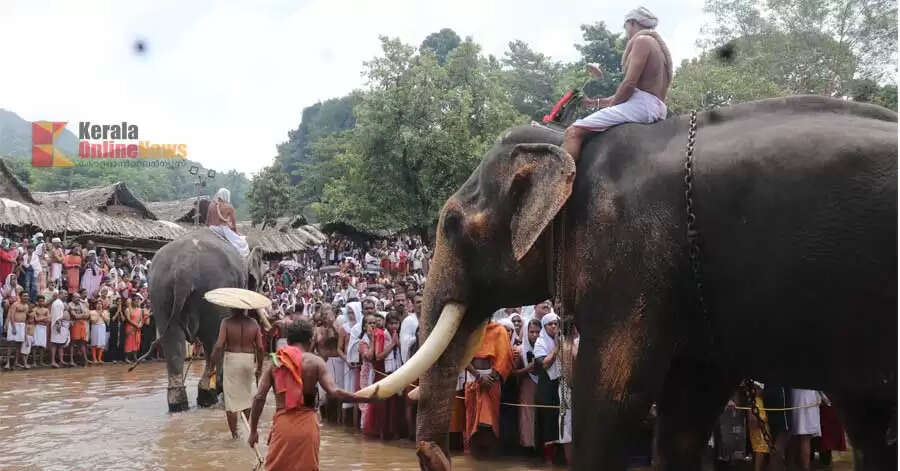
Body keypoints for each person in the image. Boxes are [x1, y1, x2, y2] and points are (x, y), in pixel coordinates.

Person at [247, 319, 374, 471]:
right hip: (307, 426)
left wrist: (253, 431)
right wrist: (366, 398)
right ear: (310, 339)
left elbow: (259, 398)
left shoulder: (276, 361)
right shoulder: (316, 362)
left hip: (283, 425)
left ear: (288, 340)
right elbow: (334, 392)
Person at [563, 6, 672, 162]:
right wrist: (592, 103)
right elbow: (631, 93)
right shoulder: (657, 46)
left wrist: (613, 105)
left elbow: (628, 84)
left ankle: (561, 186)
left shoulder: (643, 41)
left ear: (633, 23)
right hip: (656, 108)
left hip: (643, 106)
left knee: (573, 132)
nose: (626, 31)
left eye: (625, 26)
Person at [210, 305, 265, 439]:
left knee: (231, 401)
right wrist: (259, 367)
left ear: (231, 308)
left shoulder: (226, 322)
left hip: (232, 360)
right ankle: (245, 430)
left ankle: (235, 435)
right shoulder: (253, 323)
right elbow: (260, 347)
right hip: (248, 360)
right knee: (247, 396)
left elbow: (218, 345)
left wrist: (211, 366)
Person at [464, 320, 514, 456]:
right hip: (473, 378)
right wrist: (478, 377)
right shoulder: (470, 329)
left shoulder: (499, 330)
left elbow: (505, 356)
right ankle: (474, 456)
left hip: (492, 380)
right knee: (473, 418)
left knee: (488, 423)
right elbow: (462, 355)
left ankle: (489, 457)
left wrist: (491, 377)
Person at [533, 312, 561, 463]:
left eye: (556, 323)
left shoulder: (562, 339)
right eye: (550, 324)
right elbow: (544, 364)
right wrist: (557, 348)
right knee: (548, 421)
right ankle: (547, 459)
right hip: (546, 387)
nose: (554, 327)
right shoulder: (540, 342)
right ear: (544, 326)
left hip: (560, 385)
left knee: (559, 419)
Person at [516, 318, 542, 451]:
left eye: (538, 332)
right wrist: (528, 368)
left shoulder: (545, 348)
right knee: (527, 415)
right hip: (527, 386)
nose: (535, 335)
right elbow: (513, 373)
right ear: (526, 333)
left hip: (542, 386)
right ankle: (528, 446)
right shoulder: (520, 350)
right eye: (532, 332)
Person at [206, 188, 249, 257]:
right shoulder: (229, 207)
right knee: (242, 243)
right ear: (226, 196)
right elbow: (233, 224)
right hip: (222, 230)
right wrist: (236, 233)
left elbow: (207, 221)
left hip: (211, 228)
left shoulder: (211, 205)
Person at [4, 292, 28, 369]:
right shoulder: (15, 304)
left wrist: (24, 328)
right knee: (11, 344)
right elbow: (11, 316)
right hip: (14, 325)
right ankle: (7, 363)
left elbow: (25, 317)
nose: (26, 297)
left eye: (27, 296)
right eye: (24, 296)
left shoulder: (26, 306)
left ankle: (16, 362)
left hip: (22, 325)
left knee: (19, 345)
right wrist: (13, 327)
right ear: (20, 297)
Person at [67, 291, 90, 367]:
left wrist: (81, 315)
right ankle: (71, 361)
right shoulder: (70, 304)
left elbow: (87, 315)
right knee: (73, 343)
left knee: (82, 342)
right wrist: (82, 315)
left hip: (82, 324)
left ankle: (85, 360)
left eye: (79, 297)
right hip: (74, 324)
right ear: (72, 298)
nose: (78, 299)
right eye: (76, 297)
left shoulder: (82, 304)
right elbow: (75, 316)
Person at [49, 290, 70, 368]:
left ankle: (61, 360)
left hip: (60, 325)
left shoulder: (59, 302)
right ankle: (53, 361)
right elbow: (57, 316)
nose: (66, 295)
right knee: (54, 344)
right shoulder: (58, 303)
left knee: (60, 344)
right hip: (57, 325)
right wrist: (58, 325)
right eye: (65, 294)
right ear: (60, 294)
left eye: (67, 294)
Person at [123, 295, 143, 363]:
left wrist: (140, 324)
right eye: (135, 300)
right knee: (129, 342)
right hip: (130, 328)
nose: (137, 301)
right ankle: (126, 358)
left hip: (137, 328)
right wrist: (135, 325)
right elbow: (128, 319)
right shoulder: (128, 309)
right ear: (132, 301)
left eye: (138, 300)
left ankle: (135, 357)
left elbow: (141, 319)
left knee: (136, 342)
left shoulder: (140, 310)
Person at [32, 294, 50, 367]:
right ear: (37, 302)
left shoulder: (46, 309)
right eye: (40, 301)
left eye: (43, 301)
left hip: (43, 328)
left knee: (42, 346)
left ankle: (41, 362)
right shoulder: (34, 309)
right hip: (36, 327)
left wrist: (41, 318)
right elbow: (35, 319)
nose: (41, 303)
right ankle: (34, 362)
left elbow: (48, 319)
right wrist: (44, 318)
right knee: (35, 345)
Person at [89, 298, 109, 364]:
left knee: (101, 343)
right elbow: (93, 321)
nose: (99, 305)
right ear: (95, 305)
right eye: (98, 304)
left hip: (102, 326)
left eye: (100, 304)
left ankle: (99, 358)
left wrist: (102, 314)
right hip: (95, 326)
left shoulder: (105, 312)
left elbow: (107, 320)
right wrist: (98, 314)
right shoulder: (92, 312)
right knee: (94, 343)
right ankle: (94, 359)